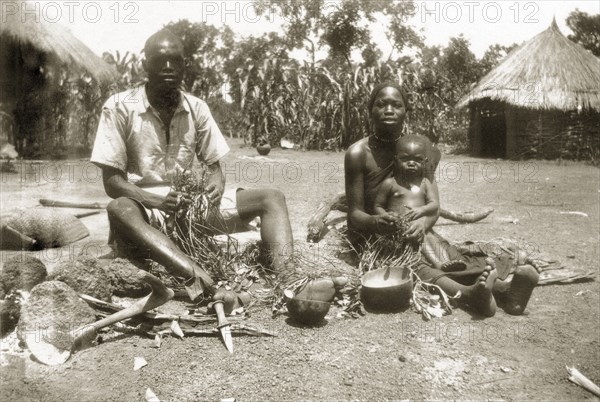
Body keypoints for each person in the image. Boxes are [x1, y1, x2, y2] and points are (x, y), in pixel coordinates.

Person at [91, 29, 340, 303]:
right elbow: (112, 183)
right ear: (144, 65)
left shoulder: (196, 107)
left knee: (272, 198)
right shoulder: (118, 107)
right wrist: (155, 200)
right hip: (145, 211)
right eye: (160, 60)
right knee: (119, 208)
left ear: (185, 66)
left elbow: (214, 167)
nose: (168, 67)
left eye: (176, 61)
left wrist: (215, 184)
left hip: (191, 209)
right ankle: (202, 280)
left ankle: (290, 282)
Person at [344, 81, 539, 317]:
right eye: (381, 104)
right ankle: (468, 295)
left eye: (396, 105)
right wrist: (377, 223)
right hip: (375, 235)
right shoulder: (357, 153)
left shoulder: (417, 150)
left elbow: (433, 207)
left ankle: (503, 290)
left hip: (417, 230)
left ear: (406, 111)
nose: (388, 110)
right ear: (370, 110)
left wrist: (422, 225)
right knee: (411, 264)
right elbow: (354, 215)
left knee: (449, 256)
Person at [373, 134, 467, 272]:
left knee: (430, 237)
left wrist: (421, 210)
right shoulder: (390, 183)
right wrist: (385, 216)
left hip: (419, 225)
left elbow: (434, 204)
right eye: (405, 159)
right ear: (395, 160)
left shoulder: (424, 183)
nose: (411, 163)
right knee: (422, 238)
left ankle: (447, 262)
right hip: (397, 229)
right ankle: (438, 264)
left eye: (417, 160)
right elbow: (377, 206)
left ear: (425, 162)